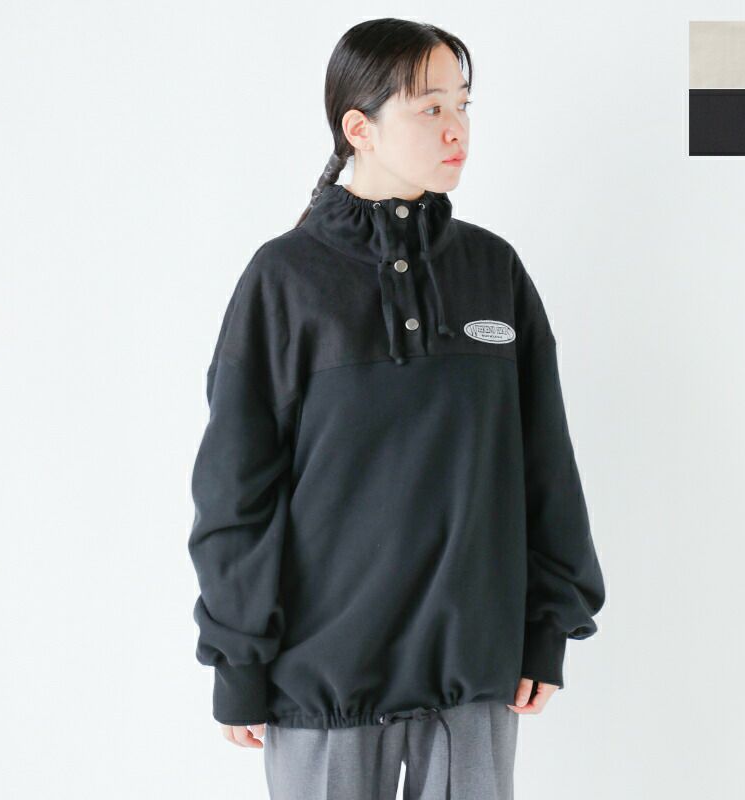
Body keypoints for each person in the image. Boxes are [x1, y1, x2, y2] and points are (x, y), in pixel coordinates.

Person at [187, 17, 606, 800]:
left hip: (472, 680)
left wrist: (549, 627)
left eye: (464, 105)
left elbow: (546, 463)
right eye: (431, 108)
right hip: (325, 684)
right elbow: (236, 488)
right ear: (360, 129)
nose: (457, 130)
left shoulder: (493, 271)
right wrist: (239, 658)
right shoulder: (285, 280)